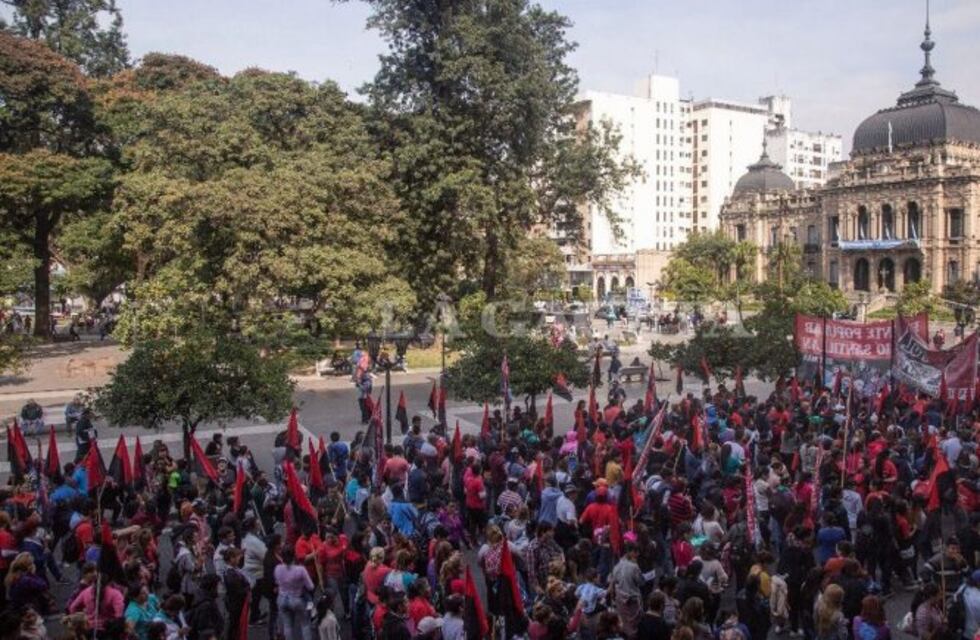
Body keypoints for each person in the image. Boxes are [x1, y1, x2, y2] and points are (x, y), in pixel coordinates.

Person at [275, 547, 314, 640]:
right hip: (297, 599)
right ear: (294, 556)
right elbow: (311, 587)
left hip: (282, 599)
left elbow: (277, 582)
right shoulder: (300, 570)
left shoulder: (277, 568)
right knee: (305, 624)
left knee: (287, 625)